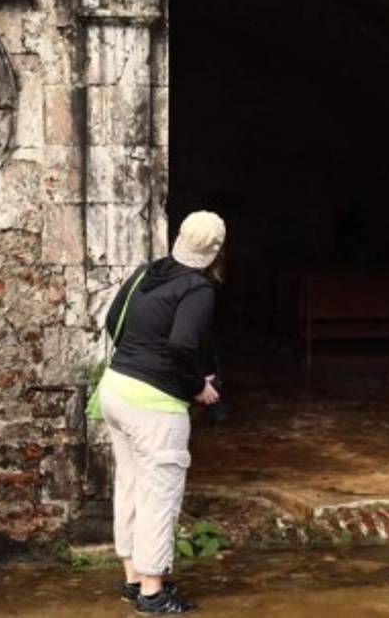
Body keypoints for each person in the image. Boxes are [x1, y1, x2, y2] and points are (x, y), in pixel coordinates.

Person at [100, 211, 226, 615]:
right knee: (160, 494)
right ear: (216, 251)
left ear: (178, 238)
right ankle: (153, 593)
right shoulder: (198, 289)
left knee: (131, 485)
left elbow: (110, 320)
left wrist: (137, 357)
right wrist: (198, 388)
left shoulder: (146, 272)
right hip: (153, 406)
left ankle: (133, 578)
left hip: (116, 388)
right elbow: (183, 345)